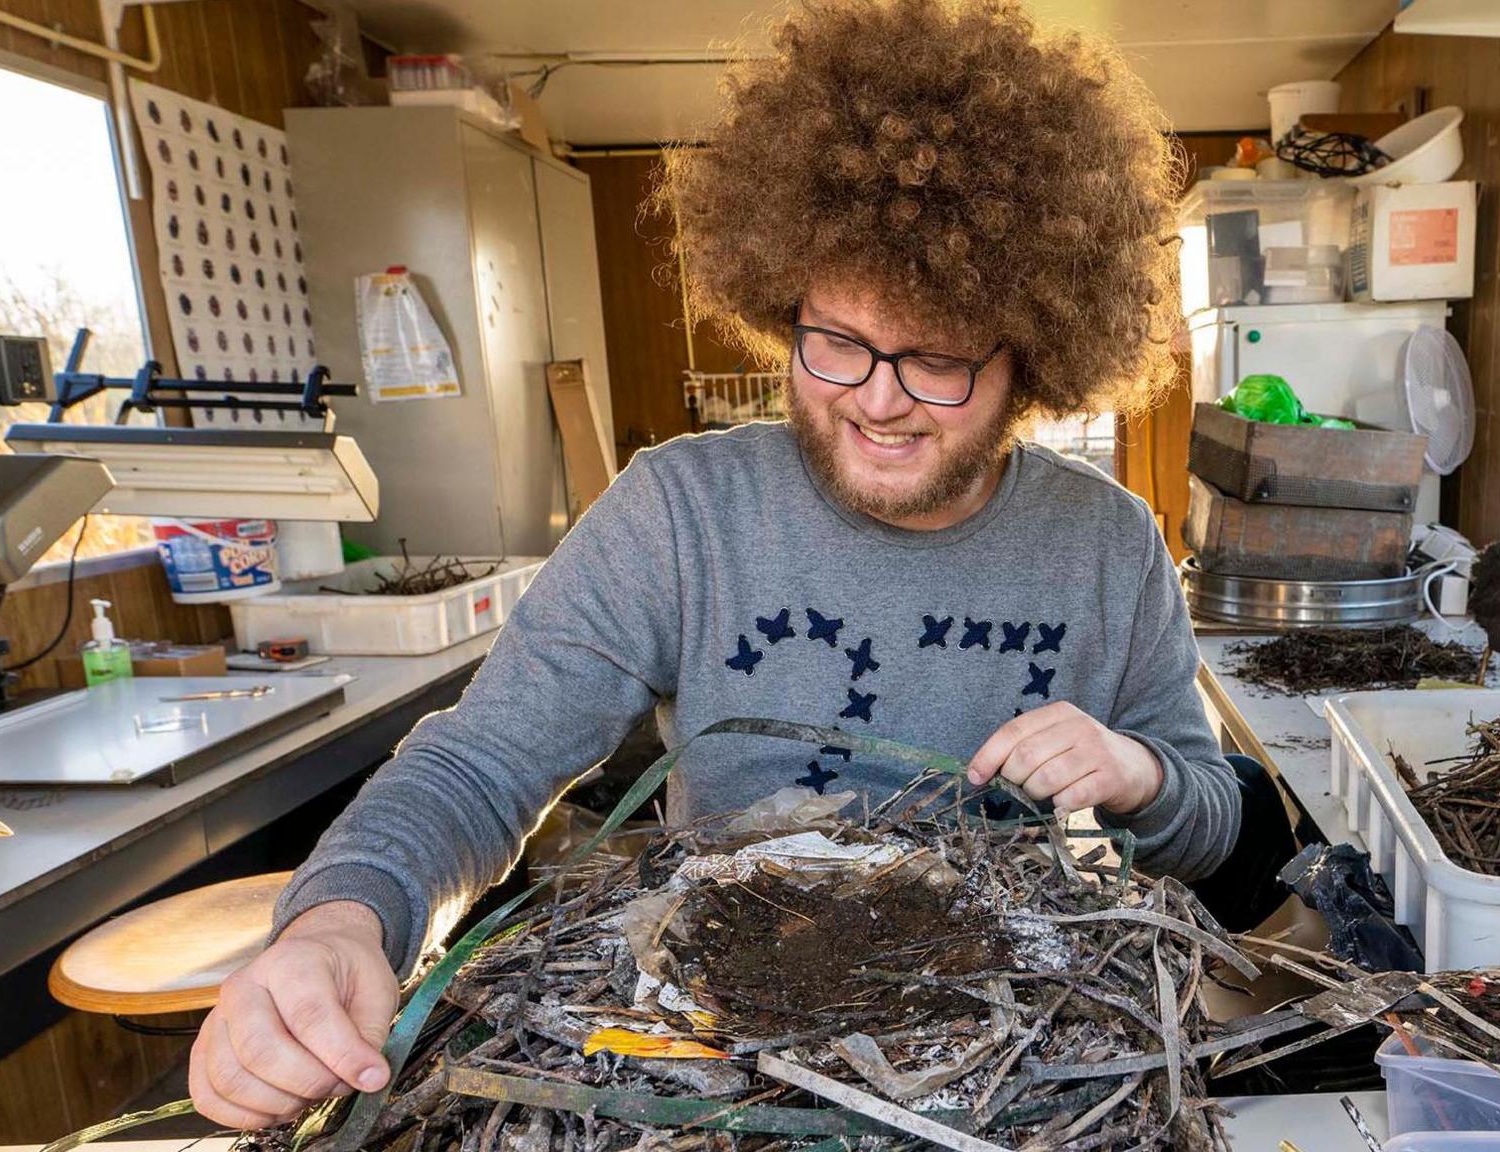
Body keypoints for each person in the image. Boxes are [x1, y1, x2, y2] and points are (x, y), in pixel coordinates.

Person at [187, 0, 1261, 1128]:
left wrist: (1133, 774)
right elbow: (482, 762)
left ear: (1032, 352)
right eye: (836, 341)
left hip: (1014, 1072)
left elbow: (1207, 825)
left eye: (935, 358)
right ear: (778, 302)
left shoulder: (1105, 543)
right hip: (725, 1060)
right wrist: (343, 920)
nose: (877, 399)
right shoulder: (681, 511)